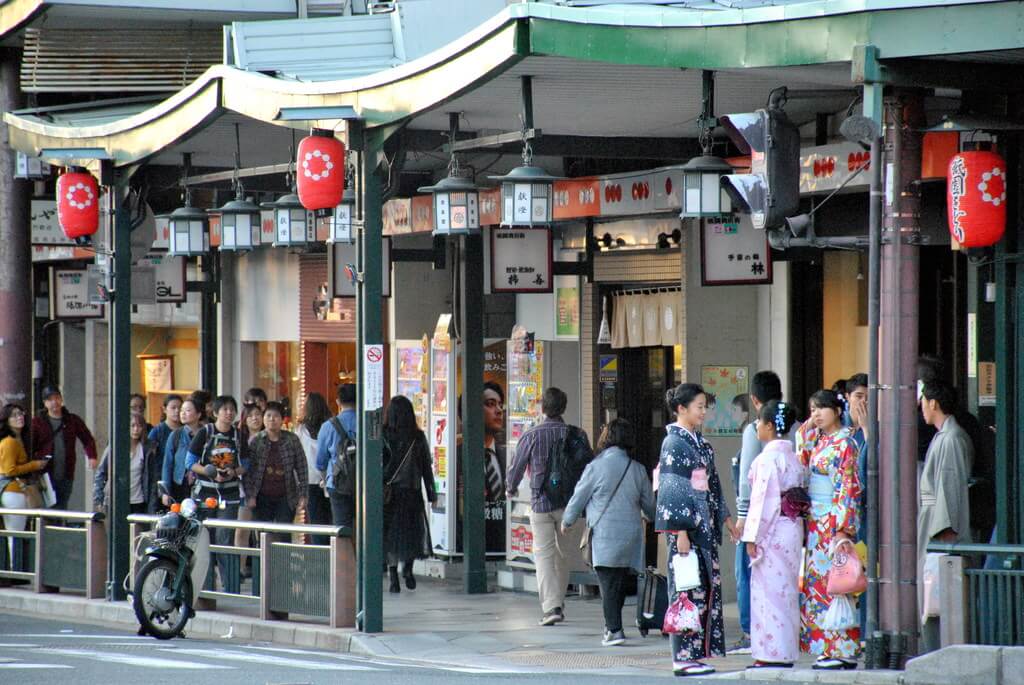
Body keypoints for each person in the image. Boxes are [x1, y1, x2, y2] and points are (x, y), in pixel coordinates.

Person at [656, 383, 736, 677]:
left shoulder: (700, 443)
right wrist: (680, 532)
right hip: (687, 529)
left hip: (703, 525)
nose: (704, 412)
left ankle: (696, 654)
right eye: (699, 406)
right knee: (686, 590)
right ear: (681, 408)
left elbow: (712, 485)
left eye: (705, 406)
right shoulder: (674, 444)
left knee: (702, 588)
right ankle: (683, 656)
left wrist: (726, 518)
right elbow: (672, 490)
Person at [562, 418, 654, 647]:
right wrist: (651, 518)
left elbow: (578, 498)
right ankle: (612, 625)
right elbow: (650, 506)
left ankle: (614, 630)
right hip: (631, 535)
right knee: (619, 583)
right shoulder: (638, 469)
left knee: (608, 583)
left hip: (604, 535)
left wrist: (567, 520)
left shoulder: (595, 467)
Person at [507, 387, 593, 626]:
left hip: (541, 503)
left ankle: (551, 607)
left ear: (542, 407)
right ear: (563, 407)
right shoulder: (577, 435)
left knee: (543, 556)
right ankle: (558, 601)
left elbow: (515, 468)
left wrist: (510, 488)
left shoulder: (532, 435)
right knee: (563, 556)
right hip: (570, 506)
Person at [741, 400, 805, 668]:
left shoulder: (767, 459)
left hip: (773, 529)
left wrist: (752, 536)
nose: (756, 426)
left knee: (768, 593)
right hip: (791, 527)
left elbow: (763, 502)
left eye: (759, 422)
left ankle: (771, 653)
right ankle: (786, 650)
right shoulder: (793, 457)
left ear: (768, 426)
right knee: (787, 591)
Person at [800, 389, 861, 670]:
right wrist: (809, 427)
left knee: (837, 584)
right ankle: (827, 646)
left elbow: (846, 486)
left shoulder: (845, 443)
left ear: (837, 410)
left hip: (833, 522)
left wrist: (842, 529)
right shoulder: (820, 441)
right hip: (816, 522)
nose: (816, 414)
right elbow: (800, 451)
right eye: (812, 409)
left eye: (821, 409)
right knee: (819, 586)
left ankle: (841, 648)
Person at [732, 370, 784, 655]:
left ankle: (750, 630)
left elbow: (746, 477)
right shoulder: (796, 426)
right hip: (786, 516)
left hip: (756, 515)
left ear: (754, 399)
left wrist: (741, 515)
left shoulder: (755, 430)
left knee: (747, 572)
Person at [918, 381, 972, 653]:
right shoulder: (945, 436)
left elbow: (949, 491)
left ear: (933, 403)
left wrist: (942, 538)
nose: (921, 407)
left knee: (939, 606)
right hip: (933, 523)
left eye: (923, 401)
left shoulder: (950, 438)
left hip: (940, 532)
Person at [186, 395, 249, 589]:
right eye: (224, 409)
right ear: (215, 413)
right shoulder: (205, 433)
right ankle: (204, 588)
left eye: (232, 409)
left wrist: (233, 472)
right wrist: (208, 471)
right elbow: (190, 462)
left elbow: (246, 464)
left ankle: (230, 588)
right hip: (204, 493)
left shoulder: (238, 436)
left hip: (229, 494)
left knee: (224, 539)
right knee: (203, 539)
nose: (229, 413)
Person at [382, 395, 436, 593]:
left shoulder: (384, 435)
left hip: (390, 495)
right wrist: (432, 494)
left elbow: (379, 466)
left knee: (391, 537)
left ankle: (393, 575)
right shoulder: (418, 437)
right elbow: (426, 468)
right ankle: (408, 569)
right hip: (412, 493)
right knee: (412, 534)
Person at [31, 385, 98, 510]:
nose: (54, 402)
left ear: (61, 399)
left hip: (66, 473)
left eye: (57, 398)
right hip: (44, 473)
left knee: (62, 505)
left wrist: (92, 456)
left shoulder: (72, 420)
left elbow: (87, 439)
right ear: (45, 403)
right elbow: (30, 446)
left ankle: (59, 527)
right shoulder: (37, 422)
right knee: (46, 507)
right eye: (50, 400)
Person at [245, 402, 307, 526]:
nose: (272, 419)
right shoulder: (256, 441)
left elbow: (302, 468)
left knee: (283, 534)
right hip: (261, 496)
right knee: (264, 533)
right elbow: (249, 471)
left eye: (276, 416)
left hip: (286, 496)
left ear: (282, 419)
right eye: (268, 416)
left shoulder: (292, 439)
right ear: (263, 418)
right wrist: (250, 495)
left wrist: (303, 495)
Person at [0, 403, 48, 563]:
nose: (19, 417)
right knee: (16, 532)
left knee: (16, 532)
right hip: (13, 491)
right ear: (6, 420)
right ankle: (14, 570)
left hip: (14, 491)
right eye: (14, 415)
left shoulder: (17, 440)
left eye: (21, 413)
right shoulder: (10, 442)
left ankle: (15, 569)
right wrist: (35, 464)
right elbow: (9, 470)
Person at [93, 412, 162, 514]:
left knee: (137, 528)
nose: (136, 429)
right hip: (116, 500)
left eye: (139, 426)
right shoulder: (115, 447)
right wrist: (98, 499)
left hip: (138, 501)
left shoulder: (148, 449)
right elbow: (101, 472)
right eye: (132, 425)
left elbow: (152, 480)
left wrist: (152, 506)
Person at [316, 384, 358, 529]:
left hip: (337, 482)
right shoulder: (369, 423)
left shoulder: (328, 426)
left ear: (338, 402)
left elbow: (320, 462)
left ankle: (345, 552)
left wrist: (325, 479)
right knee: (365, 528)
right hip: (365, 483)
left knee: (341, 529)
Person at [296, 392, 333, 543]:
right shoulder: (331, 426)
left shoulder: (301, 430)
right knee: (333, 521)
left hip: (310, 480)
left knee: (317, 523)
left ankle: (321, 558)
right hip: (330, 479)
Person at [162, 397, 202, 505]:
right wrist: (165, 491)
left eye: (188, 410)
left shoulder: (206, 433)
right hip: (179, 483)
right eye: (181, 411)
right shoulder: (176, 435)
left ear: (198, 414)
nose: (183, 413)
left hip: (202, 484)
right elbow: (168, 464)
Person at [148, 394, 183, 470]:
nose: (177, 411)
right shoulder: (157, 431)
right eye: (173, 408)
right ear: (164, 409)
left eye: (180, 408)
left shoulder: (186, 430)